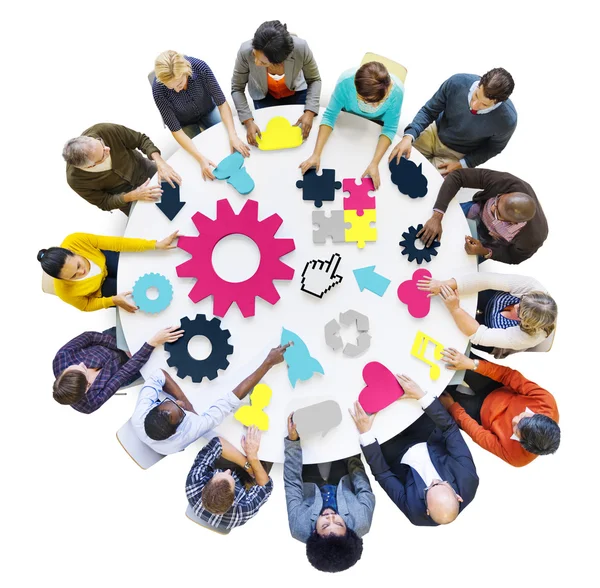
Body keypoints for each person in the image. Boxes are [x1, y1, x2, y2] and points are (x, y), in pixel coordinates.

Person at [350, 374, 479, 526]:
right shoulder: (468, 480)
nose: (433, 481)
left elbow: (383, 475)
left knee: (359, 407)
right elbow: (450, 429)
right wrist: (421, 396)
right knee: (396, 386)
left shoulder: (414, 512)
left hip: (394, 451)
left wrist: (366, 434)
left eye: (429, 488)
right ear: (458, 496)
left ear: (427, 510)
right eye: (440, 483)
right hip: (426, 435)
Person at [132, 343, 290, 455]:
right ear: (177, 430)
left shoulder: (140, 415)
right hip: (167, 447)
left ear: (151, 408)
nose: (179, 403)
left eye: (172, 402)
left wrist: (185, 403)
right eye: (181, 412)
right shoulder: (191, 429)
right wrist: (268, 363)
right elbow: (231, 399)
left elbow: (159, 374)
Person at [284, 414, 375, 572]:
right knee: (338, 427)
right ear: (349, 530)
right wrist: (350, 448)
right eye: (339, 523)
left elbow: (292, 483)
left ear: (314, 533)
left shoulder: (299, 527)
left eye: (325, 525)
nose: (331, 516)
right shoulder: (362, 521)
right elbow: (360, 480)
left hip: (310, 483)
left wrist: (293, 442)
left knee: (305, 435)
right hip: (342, 477)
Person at [439, 348, 560, 467]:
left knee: (439, 395)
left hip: (480, 416)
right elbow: (509, 376)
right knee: (456, 356)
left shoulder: (516, 457)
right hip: (497, 387)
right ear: (537, 415)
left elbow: (479, 435)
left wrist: (452, 408)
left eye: (516, 430)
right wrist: (473, 365)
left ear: (522, 444)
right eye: (523, 417)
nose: (514, 420)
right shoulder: (546, 402)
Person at [389, 68, 517, 176]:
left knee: (424, 185)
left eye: (484, 104)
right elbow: (429, 110)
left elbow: (492, 149)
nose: (474, 105)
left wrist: (464, 164)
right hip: (435, 132)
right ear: (479, 83)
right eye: (476, 95)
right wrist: (409, 136)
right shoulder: (457, 82)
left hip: (457, 154)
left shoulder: (507, 120)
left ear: (499, 102)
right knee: (395, 160)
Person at [299, 61, 403, 189]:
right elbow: (330, 116)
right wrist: (316, 154)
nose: (374, 106)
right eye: (367, 100)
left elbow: (390, 129)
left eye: (378, 101)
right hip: (347, 118)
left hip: (374, 124)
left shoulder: (397, 92)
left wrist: (374, 163)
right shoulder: (346, 82)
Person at [152, 50, 250, 181]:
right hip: (184, 122)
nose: (176, 90)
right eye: (171, 88)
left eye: (179, 84)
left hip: (208, 109)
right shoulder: (158, 89)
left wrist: (233, 135)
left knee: (227, 140)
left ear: (186, 70)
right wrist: (200, 158)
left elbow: (221, 103)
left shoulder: (200, 67)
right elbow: (176, 130)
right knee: (200, 154)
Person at [417, 169, 548, 266]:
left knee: (450, 265)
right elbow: (458, 177)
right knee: (423, 225)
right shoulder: (508, 183)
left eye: (497, 213)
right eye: (497, 200)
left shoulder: (533, 238)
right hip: (475, 211)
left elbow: (514, 257)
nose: (492, 207)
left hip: (489, 242)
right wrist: (437, 216)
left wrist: (485, 251)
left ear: (513, 222)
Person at [418, 273, 557, 358]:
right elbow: (487, 280)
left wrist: (455, 309)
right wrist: (443, 285)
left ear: (525, 323)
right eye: (521, 301)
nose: (516, 305)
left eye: (519, 311)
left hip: (489, 334)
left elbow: (480, 335)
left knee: (444, 330)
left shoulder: (529, 338)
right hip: (492, 299)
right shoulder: (532, 286)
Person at [52, 326, 183, 414]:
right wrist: (152, 343)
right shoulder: (90, 403)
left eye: (70, 368)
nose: (81, 363)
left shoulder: (61, 359)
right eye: (83, 369)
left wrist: (122, 346)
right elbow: (123, 373)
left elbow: (90, 337)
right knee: (166, 358)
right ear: (87, 388)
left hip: (109, 340)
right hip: (126, 367)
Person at [37, 231, 179, 313]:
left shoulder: (75, 241)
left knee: (143, 268)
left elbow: (117, 243)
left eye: (78, 265)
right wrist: (111, 301)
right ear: (62, 279)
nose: (82, 272)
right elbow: (86, 305)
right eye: (74, 276)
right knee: (141, 297)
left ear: (72, 251)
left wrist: (154, 244)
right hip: (100, 290)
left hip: (104, 260)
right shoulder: (64, 292)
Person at [231, 20, 321, 145]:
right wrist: (248, 121)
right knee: (270, 137)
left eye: (263, 63)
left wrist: (310, 112)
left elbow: (314, 80)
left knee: (301, 137)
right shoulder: (244, 51)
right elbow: (237, 88)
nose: (256, 63)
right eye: (254, 55)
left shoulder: (301, 48)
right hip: (264, 95)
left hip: (296, 91)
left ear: (280, 61)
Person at [63, 122, 180, 215]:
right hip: (127, 198)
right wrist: (133, 196)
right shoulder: (76, 180)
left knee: (179, 192)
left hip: (144, 169)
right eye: (104, 154)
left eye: (102, 144)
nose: (108, 149)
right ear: (90, 166)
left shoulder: (103, 130)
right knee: (155, 223)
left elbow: (140, 139)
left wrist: (160, 162)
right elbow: (104, 202)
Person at [186, 429, 273, 531]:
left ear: (204, 487)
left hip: (229, 463)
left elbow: (217, 444)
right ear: (233, 500)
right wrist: (253, 457)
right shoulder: (241, 512)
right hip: (244, 481)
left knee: (232, 437)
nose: (228, 471)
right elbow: (266, 486)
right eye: (230, 478)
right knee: (265, 456)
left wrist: (247, 466)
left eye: (221, 475)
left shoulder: (194, 483)